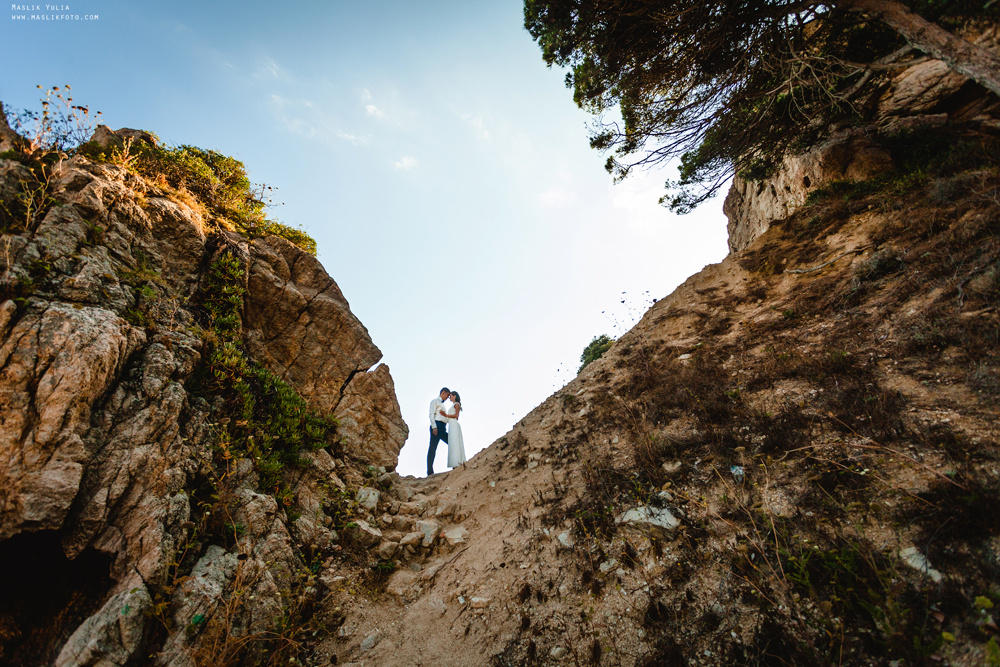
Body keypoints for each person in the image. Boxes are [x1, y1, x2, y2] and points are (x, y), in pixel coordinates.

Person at [437, 391, 466, 468]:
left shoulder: (457, 404)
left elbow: (456, 416)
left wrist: (446, 415)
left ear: (454, 396)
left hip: (454, 424)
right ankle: (455, 462)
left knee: (454, 442)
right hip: (451, 424)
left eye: (450, 396)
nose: (449, 397)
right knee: (453, 442)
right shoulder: (453, 405)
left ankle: (457, 462)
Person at [427, 387, 450, 475]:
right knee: (432, 448)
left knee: (452, 442)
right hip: (437, 425)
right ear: (443, 393)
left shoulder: (442, 404)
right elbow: (431, 414)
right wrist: (434, 427)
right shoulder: (434, 401)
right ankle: (429, 471)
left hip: (443, 427)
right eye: (447, 395)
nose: (447, 398)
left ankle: (455, 463)